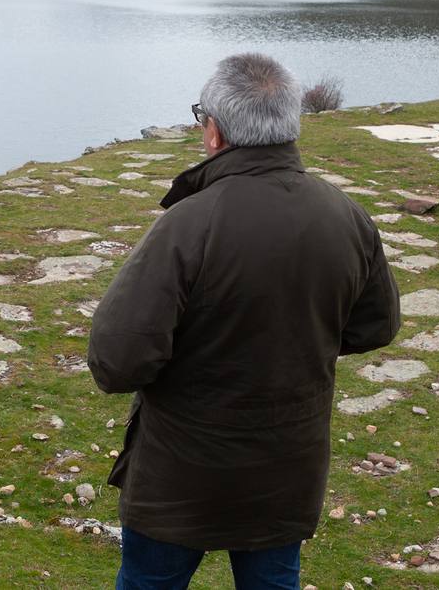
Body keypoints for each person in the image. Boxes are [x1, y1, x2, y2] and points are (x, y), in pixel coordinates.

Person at [88, 52, 402, 590]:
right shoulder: (345, 214)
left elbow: (117, 361)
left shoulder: (188, 224)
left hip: (180, 473)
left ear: (215, 132)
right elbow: (376, 325)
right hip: (286, 468)